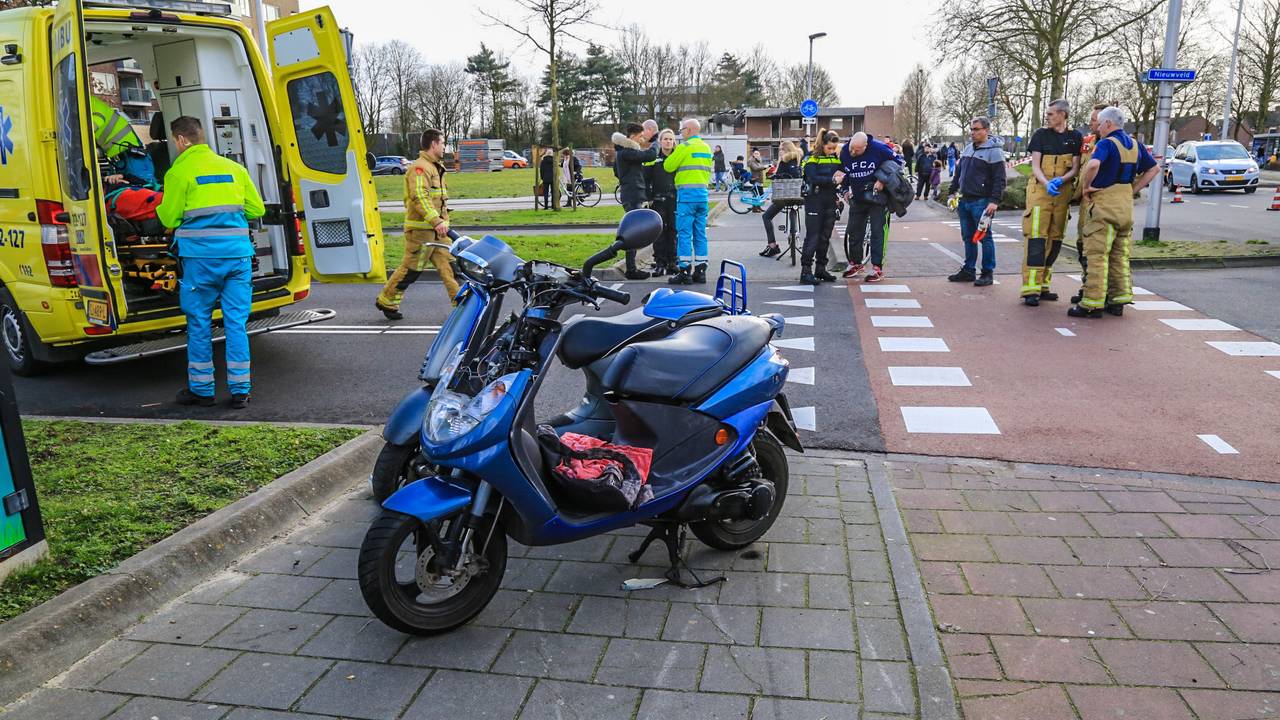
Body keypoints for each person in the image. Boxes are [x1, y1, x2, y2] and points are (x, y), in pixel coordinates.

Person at [155, 116, 264, 409]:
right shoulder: (234, 168)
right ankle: (241, 390)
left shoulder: (179, 173)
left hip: (201, 260)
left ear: (180, 140)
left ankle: (202, 391)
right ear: (201, 136)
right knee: (236, 323)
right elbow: (256, 208)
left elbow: (168, 217)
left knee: (200, 323)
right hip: (238, 258)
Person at [1070, 106, 1159, 318]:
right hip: (1125, 206)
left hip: (1104, 205)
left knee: (1097, 255)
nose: (1098, 128)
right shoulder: (1136, 145)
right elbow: (1154, 169)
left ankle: (1092, 303)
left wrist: (1086, 187)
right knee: (1120, 255)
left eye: (1100, 124)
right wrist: (1133, 189)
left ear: (1108, 123)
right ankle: (1118, 300)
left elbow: (1092, 165)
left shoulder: (1106, 143)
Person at [376, 128, 460, 321]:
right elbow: (419, 197)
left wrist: (441, 223)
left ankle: (462, 306)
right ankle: (387, 300)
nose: (444, 146)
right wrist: (436, 220)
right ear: (433, 144)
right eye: (442, 143)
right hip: (421, 233)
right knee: (411, 270)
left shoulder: (434, 167)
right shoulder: (420, 168)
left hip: (438, 233)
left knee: (452, 267)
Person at [1020, 99, 1082, 307]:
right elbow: (1035, 166)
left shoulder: (1075, 137)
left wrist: (1062, 180)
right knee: (1037, 238)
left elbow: (1075, 168)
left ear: (1063, 115)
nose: (1047, 117)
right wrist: (1046, 183)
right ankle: (1030, 288)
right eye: (1047, 114)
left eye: (1051, 114)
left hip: (1062, 194)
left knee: (1055, 240)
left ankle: (1044, 285)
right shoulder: (1040, 135)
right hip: (1040, 192)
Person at [946, 116, 1006, 287]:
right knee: (968, 237)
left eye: (976, 129)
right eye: (971, 129)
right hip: (965, 200)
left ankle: (987, 272)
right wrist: (952, 192)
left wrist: (994, 201)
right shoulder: (967, 149)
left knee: (985, 237)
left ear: (986, 131)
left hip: (982, 201)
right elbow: (959, 173)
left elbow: (1000, 179)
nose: (972, 133)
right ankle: (969, 270)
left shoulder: (994, 151)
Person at [839, 131, 897, 282]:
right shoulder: (845, 151)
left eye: (857, 150)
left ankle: (877, 268)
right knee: (854, 230)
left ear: (866, 146)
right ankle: (855, 263)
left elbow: (898, 163)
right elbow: (844, 172)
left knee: (878, 232)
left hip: (878, 197)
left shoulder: (880, 148)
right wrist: (845, 190)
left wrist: (882, 180)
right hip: (858, 197)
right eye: (851, 148)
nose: (852, 152)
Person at [663, 118, 713, 284]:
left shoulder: (684, 147)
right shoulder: (707, 148)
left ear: (689, 130)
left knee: (684, 234)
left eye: (681, 130)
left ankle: (685, 271)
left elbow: (668, 166)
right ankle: (700, 271)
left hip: (686, 198)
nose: (680, 133)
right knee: (700, 234)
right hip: (703, 197)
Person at [1070, 103, 1109, 304]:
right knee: (1082, 246)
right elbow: (1080, 172)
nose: (1090, 123)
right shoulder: (1087, 143)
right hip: (1086, 205)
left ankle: (1101, 292)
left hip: (1103, 204)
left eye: (1094, 120)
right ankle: (1087, 285)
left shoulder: (1116, 144)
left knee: (1099, 251)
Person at [613, 122, 658, 279]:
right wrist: (655, 143)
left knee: (633, 230)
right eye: (640, 137)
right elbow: (649, 156)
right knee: (633, 232)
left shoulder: (621, 152)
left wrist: (627, 178)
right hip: (632, 195)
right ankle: (631, 270)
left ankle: (631, 268)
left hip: (631, 192)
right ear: (632, 136)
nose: (641, 140)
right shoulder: (627, 152)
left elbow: (615, 171)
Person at [799, 128, 843, 285]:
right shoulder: (811, 158)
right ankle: (805, 271)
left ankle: (820, 268)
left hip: (830, 200)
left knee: (825, 236)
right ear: (822, 144)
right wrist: (832, 180)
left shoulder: (836, 158)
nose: (832, 151)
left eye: (834, 148)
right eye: (829, 148)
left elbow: (842, 174)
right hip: (814, 200)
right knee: (813, 236)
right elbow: (812, 177)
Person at [759, 139, 803, 258]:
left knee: (766, 216)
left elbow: (779, 176)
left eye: (781, 149)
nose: (780, 152)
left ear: (787, 150)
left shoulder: (784, 160)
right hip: (797, 195)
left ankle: (772, 246)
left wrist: (774, 176)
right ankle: (794, 234)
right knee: (793, 208)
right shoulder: (799, 159)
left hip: (783, 196)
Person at [645, 128, 679, 276]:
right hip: (657, 200)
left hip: (674, 199)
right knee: (659, 232)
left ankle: (672, 262)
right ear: (660, 141)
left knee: (673, 230)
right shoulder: (653, 157)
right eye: (665, 139)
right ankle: (660, 263)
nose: (668, 141)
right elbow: (646, 180)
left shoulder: (678, 157)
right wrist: (649, 198)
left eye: (671, 139)